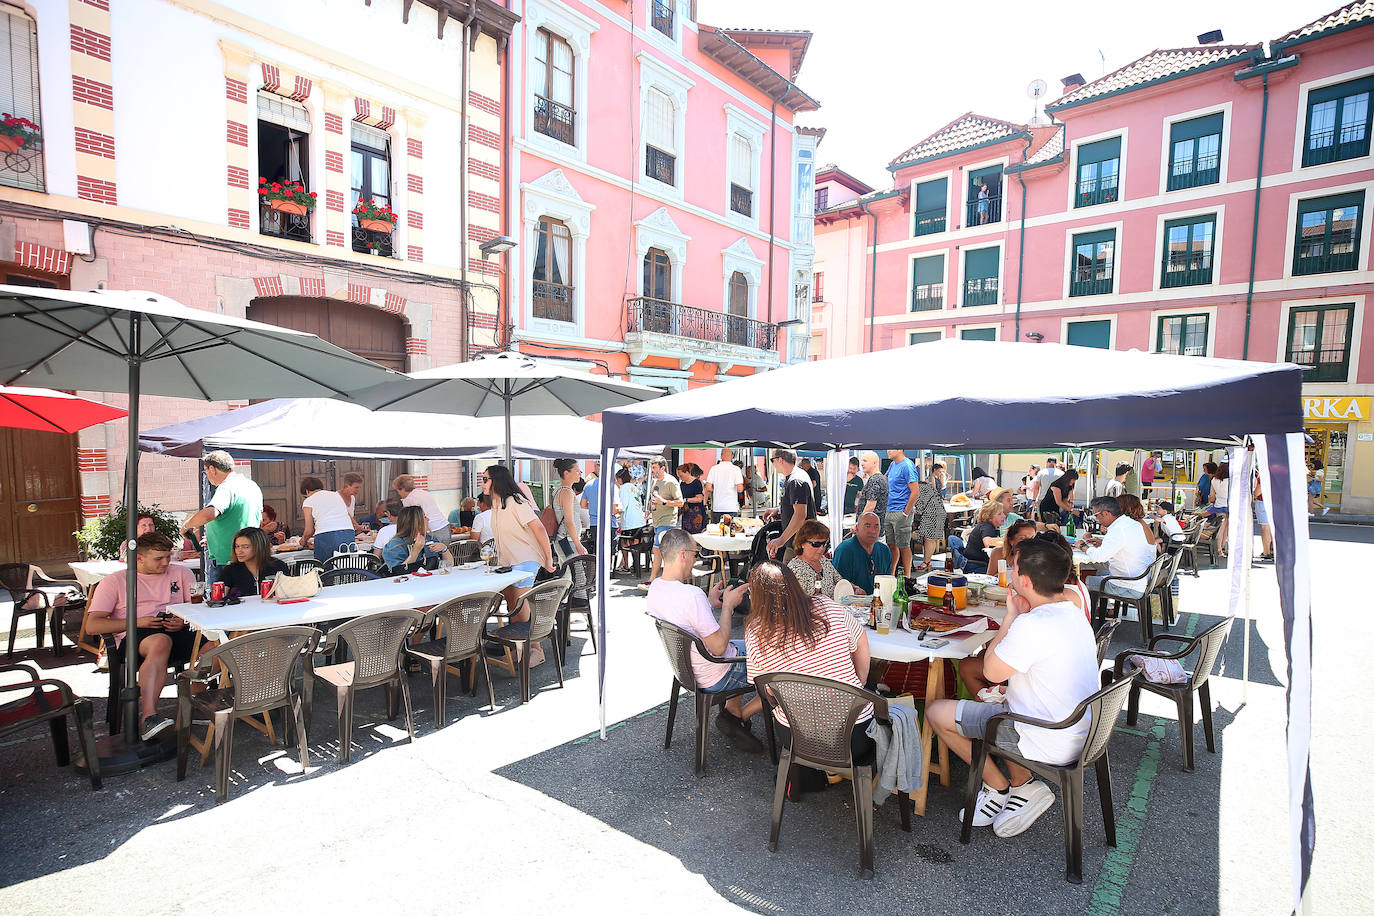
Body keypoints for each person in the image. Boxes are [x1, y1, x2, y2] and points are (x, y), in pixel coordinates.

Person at [927, 537, 1099, 837]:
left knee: (937, 712)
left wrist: (1010, 616)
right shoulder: (1071, 607)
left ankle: (1001, 786)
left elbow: (991, 672)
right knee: (997, 703)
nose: (1010, 570)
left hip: (1045, 736)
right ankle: (1018, 785)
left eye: (1014, 567)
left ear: (1025, 581)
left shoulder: (1032, 623)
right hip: (1082, 729)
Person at [745, 561, 873, 796]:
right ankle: (829, 772)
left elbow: (767, 691)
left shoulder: (755, 632)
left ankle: (812, 772)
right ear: (795, 585)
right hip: (854, 735)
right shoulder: (828, 607)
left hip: (796, 736)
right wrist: (861, 680)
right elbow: (861, 640)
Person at [648, 528, 764, 744]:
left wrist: (709, 604)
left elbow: (687, 620)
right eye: (695, 554)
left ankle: (734, 714)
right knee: (778, 662)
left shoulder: (655, 588)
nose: (696, 560)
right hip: (714, 671)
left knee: (751, 645)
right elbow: (720, 648)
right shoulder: (691, 595)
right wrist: (728, 606)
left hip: (686, 669)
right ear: (683, 555)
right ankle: (737, 717)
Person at [85, 532, 202, 740]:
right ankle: (149, 717)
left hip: (177, 629)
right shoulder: (115, 581)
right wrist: (136, 622)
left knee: (219, 641)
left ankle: (192, 703)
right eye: (159, 559)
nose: (166, 563)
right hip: (135, 636)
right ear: (139, 558)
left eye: (169, 556)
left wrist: (184, 621)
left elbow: (198, 608)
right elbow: (92, 626)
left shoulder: (182, 573)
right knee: (159, 642)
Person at [484, 464, 557, 658]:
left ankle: (535, 650)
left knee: (520, 604)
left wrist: (548, 559)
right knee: (512, 604)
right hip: (508, 562)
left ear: (496, 481)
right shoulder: (496, 504)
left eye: (485, 479)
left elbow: (539, 529)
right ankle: (521, 648)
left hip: (525, 559)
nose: (482, 483)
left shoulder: (515, 501)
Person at [179, 450, 262, 585]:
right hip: (252, 555)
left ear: (212, 469)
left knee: (224, 602)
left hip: (228, 560)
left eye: (206, 471)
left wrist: (186, 525)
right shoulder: (252, 485)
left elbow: (210, 513)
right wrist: (214, 538)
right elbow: (247, 519)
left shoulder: (226, 488)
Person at [1076, 496, 1155, 600]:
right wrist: (1103, 544)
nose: (1097, 519)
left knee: (1081, 580)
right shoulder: (1132, 524)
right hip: (1140, 580)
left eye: (1096, 515)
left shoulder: (1117, 530)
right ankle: (1099, 609)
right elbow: (1124, 545)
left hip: (1127, 586)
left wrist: (1083, 546)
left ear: (1105, 513)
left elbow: (1099, 557)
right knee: (1097, 570)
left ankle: (1088, 612)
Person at [765, 450, 816, 561]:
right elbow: (797, 505)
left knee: (789, 577)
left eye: (772, 460)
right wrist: (778, 510)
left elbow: (800, 515)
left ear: (780, 460)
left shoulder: (796, 480)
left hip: (800, 545)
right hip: (798, 543)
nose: (772, 464)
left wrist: (781, 540)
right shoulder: (794, 477)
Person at [216, 526, 289, 598]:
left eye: (245, 546)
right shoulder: (230, 570)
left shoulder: (278, 566)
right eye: (237, 546)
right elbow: (219, 598)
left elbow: (289, 593)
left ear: (259, 546)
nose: (239, 551)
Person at [644, 458, 684, 587]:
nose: (652, 470)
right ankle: (656, 580)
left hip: (667, 521)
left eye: (655, 468)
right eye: (652, 468)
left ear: (663, 468)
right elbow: (653, 499)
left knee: (659, 551)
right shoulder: (655, 481)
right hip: (656, 521)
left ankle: (656, 580)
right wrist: (648, 510)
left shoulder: (671, 482)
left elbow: (680, 502)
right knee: (658, 551)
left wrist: (664, 502)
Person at [831, 512, 891, 595]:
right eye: (867, 526)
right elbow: (837, 584)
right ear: (857, 528)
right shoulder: (844, 550)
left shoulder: (884, 550)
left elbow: (888, 583)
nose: (872, 531)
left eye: (876, 526)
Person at [299, 476, 356, 564]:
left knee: (326, 568)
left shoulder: (308, 501)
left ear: (307, 491)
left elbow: (309, 530)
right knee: (345, 565)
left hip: (326, 535)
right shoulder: (336, 495)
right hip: (348, 532)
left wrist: (303, 541)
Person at [787, 519, 845, 599]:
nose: (822, 548)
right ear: (802, 543)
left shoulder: (823, 560)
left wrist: (853, 588)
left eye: (824, 543)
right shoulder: (795, 569)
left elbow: (839, 580)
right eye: (816, 544)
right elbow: (798, 603)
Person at [884, 449, 920, 577]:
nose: (887, 451)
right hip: (889, 510)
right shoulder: (893, 464)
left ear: (899, 449)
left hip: (900, 510)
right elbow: (885, 479)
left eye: (890, 449)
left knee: (904, 545)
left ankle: (908, 577)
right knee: (891, 545)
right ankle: (891, 574)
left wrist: (905, 513)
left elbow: (915, 492)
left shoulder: (907, 466)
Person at [382, 505, 445, 574]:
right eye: (424, 517)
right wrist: (415, 551)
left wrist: (444, 549)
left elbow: (449, 565)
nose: (428, 519)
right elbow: (399, 573)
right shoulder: (394, 545)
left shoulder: (429, 539)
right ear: (416, 522)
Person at [393, 474, 451, 546]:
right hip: (444, 527)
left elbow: (411, 521)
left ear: (402, 488)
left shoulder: (409, 500)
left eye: (398, 491)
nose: (399, 494)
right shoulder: (422, 492)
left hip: (432, 531)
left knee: (432, 555)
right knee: (444, 553)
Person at [984, 518, 1037, 595]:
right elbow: (989, 580)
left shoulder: (1036, 558)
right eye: (1022, 538)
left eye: (1032, 538)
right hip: (999, 594)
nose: (1028, 543)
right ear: (1011, 541)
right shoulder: (998, 553)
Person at [552, 457, 588, 560]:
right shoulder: (566, 492)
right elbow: (569, 521)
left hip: (565, 538)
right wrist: (578, 544)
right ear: (566, 473)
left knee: (569, 571)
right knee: (574, 572)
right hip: (567, 539)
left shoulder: (560, 489)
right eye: (577, 471)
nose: (580, 473)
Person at [614, 466, 648, 573]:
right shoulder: (633, 486)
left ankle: (626, 565)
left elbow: (622, 506)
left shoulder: (623, 488)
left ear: (620, 479)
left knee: (624, 542)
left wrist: (615, 511)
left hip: (630, 522)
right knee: (635, 544)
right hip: (640, 521)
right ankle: (635, 565)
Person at [959, 500, 1007, 574]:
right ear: (989, 517)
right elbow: (989, 544)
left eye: (1003, 513)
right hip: (977, 566)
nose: (1004, 516)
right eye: (999, 514)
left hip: (971, 564)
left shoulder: (985, 526)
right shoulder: (987, 527)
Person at [911, 472, 947, 571]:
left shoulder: (917, 488)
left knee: (929, 538)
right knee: (930, 538)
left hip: (933, 512)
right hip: (938, 511)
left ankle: (926, 562)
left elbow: (919, 507)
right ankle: (927, 561)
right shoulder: (922, 486)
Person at [702, 448, 745, 522]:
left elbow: (708, 487)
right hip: (731, 507)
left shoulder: (714, 469)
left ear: (721, 456)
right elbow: (740, 489)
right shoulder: (736, 469)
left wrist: (717, 489)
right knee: (730, 531)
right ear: (732, 456)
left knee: (716, 531)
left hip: (717, 507)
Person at [856, 450, 888, 533]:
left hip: (869, 530)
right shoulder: (880, 478)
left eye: (865, 461)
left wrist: (859, 524)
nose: (862, 463)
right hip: (875, 528)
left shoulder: (875, 480)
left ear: (875, 463)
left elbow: (870, 506)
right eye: (862, 461)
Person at [676, 463, 708, 535]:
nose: (680, 478)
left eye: (681, 476)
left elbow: (699, 498)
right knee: (686, 535)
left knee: (697, 536)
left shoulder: (696, 482)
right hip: (686, 513)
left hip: (697, 513)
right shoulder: (682, 484)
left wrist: (686, 500)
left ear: (687, 473)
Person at [1208, 462, 1231, 557]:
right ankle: (1223, 546)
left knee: (1221, 528)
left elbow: (1212, 496)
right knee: (1227, 528)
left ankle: (1219, 549)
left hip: (1219, 505)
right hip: (1229, 504)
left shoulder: (1214, 480)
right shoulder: (1231, 480)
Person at [1254, 473, 1274, 560]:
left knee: (1265, 527)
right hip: (1278, 501)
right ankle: (1273, 550)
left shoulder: (1265, 473)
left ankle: (1267, 552)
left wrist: (1254, 493)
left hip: (1264, 502)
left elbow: (1258, 492)